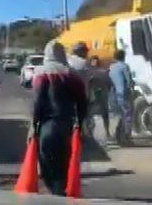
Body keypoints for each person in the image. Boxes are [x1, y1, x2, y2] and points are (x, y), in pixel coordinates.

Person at [30, 40, 88, 196]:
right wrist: (80, 125)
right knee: (63, 164)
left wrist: (33, 126)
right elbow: (82, 102)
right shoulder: (71, 74)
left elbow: (37, 102)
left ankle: (56, 194)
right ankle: (59, 192)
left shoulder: (40, 72)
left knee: (47, 166)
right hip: (66, 126)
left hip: (46, 126)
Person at [67, 42, 96, 136]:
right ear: (81, 52)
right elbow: (91, 78)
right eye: (85, 51)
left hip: (69, 95)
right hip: (83, 94)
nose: (87, 53)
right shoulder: (84, 63)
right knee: (86, 117)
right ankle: (86, 135)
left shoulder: (67, 61)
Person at [108, 49, 134, 146]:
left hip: (114, 95)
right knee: (128, 116)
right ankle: (126, 138)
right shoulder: (124, 66)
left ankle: (118, 137)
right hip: (124, 94)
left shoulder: (111, 67)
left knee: (120, 116)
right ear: (123, 57)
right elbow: (129, 81)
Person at [88, 56, 111, 140]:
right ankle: (107, 132)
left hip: (93, 96)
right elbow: (109, 85)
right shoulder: (104, 72)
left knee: (90, 116)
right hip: (101, 95)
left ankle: (91, 134)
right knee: (104, 115)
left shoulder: (88, 72)